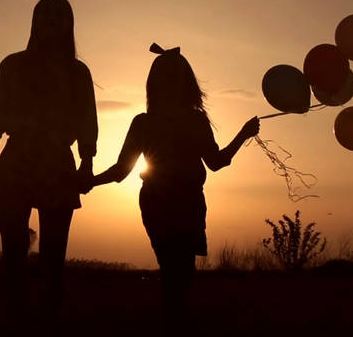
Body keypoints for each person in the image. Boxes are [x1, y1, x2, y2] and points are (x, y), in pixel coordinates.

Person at [88, 43, 259, 322]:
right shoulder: (164, 121)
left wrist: (89, 182)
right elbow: (216, 163)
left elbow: (122, 171)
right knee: (177, 270)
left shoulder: (164, 121)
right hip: (167, 201)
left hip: (182, 201)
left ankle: (173, 327)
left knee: (177, 270)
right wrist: (90, 181)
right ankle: (175, 328)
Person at [0, 0, 97, 321]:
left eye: (59, 16)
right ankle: (14, 320)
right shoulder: (12, 66)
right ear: (34, 22)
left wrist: (86, 164)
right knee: (14, 255)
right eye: (45, 15)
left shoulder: (77, 72)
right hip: (15, 165)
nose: (52, 22)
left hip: (58, 167)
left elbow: (87, 123)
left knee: (53, 260)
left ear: (68, 24)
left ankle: (49, 326)